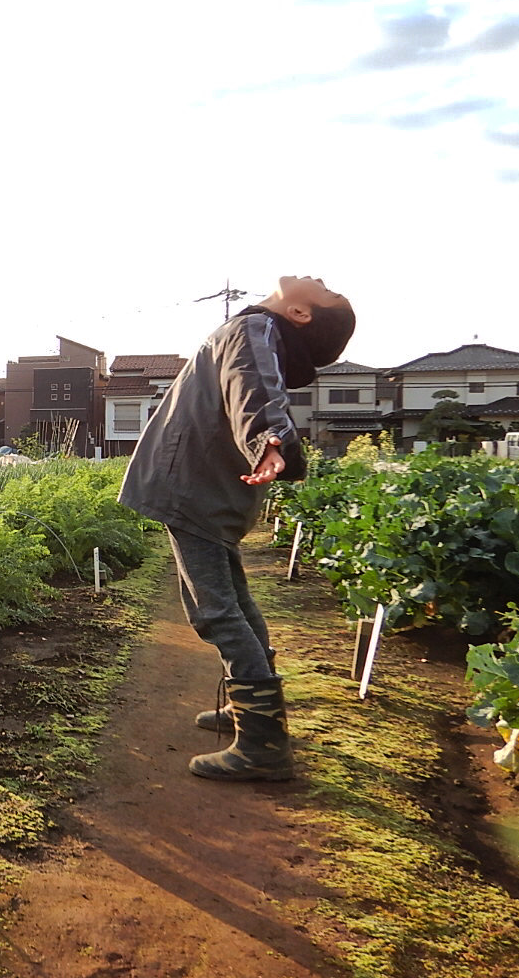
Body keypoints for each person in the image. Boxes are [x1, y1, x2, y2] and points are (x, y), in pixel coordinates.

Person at [118, 275, 356, 782]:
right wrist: (267, 441)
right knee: (238, 602)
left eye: (326, 291)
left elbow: (254, 387)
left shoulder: (251, 328)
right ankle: (249, 710)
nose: (318, 279)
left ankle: (263, 744)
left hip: (195, 488)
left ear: (301, 313)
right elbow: (253, 384)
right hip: (214, 488)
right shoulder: (261, 331)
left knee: (216, 609)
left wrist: (269, 439)